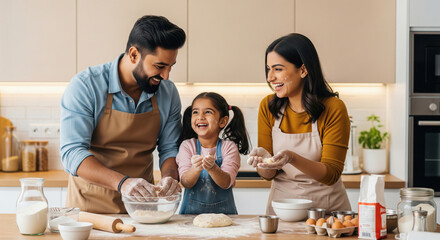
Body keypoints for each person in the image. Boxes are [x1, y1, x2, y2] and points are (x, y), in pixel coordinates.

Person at [60, 15, 186, 213]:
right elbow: (72, 153)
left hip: (142, 210)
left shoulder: (167, 93)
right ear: (134, 54)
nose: (166, 76)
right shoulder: (86, 86)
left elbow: (169, 148)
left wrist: (170, 176)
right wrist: (123, 183)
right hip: (89, 212)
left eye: (171, 66)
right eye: (160, 66)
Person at [247, 33, 351, 215]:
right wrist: (263, 163)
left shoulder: (333, 108)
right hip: (282, 211)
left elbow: (331, 173)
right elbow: (268, 176)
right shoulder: (268, 106)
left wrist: (292, 158)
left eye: (278, 69)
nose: (270, 77)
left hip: (326, 213)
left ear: (303, 70)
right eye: (268, 69)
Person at [176, 92, 250, 214]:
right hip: (189, 218)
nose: (200, 117)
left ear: (222, 121)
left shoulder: (229, 147)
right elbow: (186, 183)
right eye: (195, 112)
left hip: (225, 217)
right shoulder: (187, 146)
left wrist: (212, 168)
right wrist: (196, 168)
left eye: (208, 112)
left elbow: (226, 183)